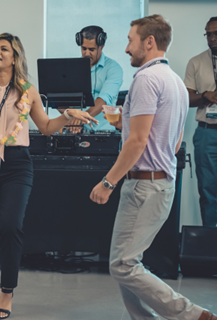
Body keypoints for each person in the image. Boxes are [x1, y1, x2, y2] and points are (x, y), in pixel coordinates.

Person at [0, 33, 97, 319]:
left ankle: (7, 291)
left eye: (3, 48)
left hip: (16, 165)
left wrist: (68, 115)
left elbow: (45, 127)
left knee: (10, 224)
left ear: (14, 57)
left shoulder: (28, 91)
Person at [90, 15, 216, 320]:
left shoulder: (146, 79)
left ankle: (192, 315)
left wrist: (107, 182)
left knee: (123, 265)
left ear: (149, 42)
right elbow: (171, 140)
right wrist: (126, 120)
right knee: (126, 263)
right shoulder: (173, 80)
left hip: (144, 185)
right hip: (160, 182)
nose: (126, 49)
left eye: (130, 40)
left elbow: (137, 142)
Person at [184, 16, 217, 228]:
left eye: (216, 33)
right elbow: (187, 99)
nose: (212, 38)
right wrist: (205, 95)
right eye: (208, 34)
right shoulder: (195, 62)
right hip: (207, 133)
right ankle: (211, 248)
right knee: (208, 191)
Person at [64, 25, 123, 133]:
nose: (86, 53)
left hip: (103, 133)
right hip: (74, 132)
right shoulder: (72, 68)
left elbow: (104, 100)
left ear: (102, 46)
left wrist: (80, 117)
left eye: (91, 49)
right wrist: (70, 117)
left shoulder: (114, 69)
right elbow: (62, 101)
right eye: (83, 48)